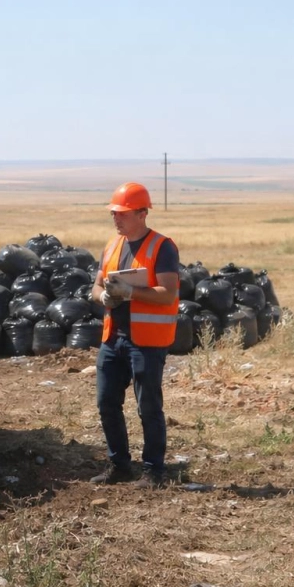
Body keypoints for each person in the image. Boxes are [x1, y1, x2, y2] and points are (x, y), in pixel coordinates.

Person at [90, 182, 180, 489]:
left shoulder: (162, 246)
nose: (116, 219)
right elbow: (96, 286)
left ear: (142, 214)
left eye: (123, 213)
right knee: (106, 402)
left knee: (148, 406)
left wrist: (132, 292)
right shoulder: (112, 245)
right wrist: (103, 297)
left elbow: (168, 294)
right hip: (113, 338)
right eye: (114, 213)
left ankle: (154, 470)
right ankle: (120, 465)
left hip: (147, 342)